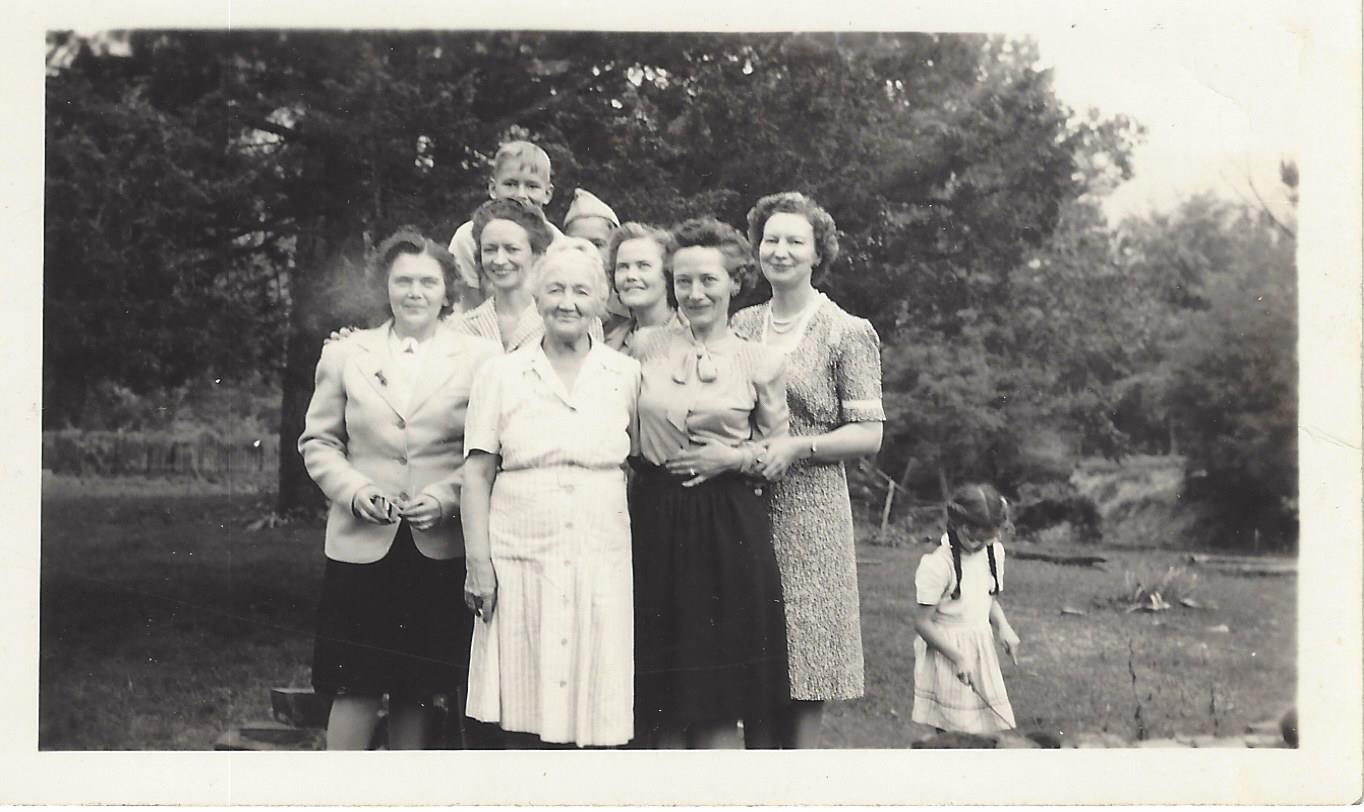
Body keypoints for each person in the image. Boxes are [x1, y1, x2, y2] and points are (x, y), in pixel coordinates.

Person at [298, 227, 502, 749]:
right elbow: (318, 441)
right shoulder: (348, 355)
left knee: (420, 687)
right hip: (362, 546)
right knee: (355, 685)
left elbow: (486, 451)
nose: (415, 292)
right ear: (384, 287)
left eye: (428, 282)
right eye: (403, 280)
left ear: (447, 290)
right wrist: (353, 491)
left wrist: (446, 496)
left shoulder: (479, 359)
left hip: (436, 546)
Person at [460, 248, 640, 748]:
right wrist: (479, 565)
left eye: (581, 291)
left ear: (600, 303)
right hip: (520, 548)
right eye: (556, 289)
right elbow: (476, 474)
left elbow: (639, 456)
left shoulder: (623, 374)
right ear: (536, 298)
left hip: (598, 546)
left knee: (593, 689)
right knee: (520, 694)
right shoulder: (500, 374)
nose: (568, 302)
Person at [627, 217, 791, 749]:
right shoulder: (643, 347)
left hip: (727, 523)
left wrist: (733, 458)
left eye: (708, 281)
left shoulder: (760, 360)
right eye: (683, 281)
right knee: (660, 691)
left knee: (720, 685)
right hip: (652, 518)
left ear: (735, 282)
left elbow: (776, 452)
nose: (694, 293)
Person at [731, 191, 885, 748]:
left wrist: (798, 448)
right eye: (770, 239)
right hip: (746, 506)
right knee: (753, 654)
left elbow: (869, 433)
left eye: (795, 241)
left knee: (807, 657)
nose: (781, 250)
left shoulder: (845, 330)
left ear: (819, 252)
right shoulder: (742, 324)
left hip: (811, 512)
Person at [912, 483, 1020, 734]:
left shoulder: (994, 554)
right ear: (955, 523)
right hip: (948, 652)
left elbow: (987, 600)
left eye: (984, 540)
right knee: (955, 733)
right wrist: (958, 657)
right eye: (970, 537)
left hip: (981, 650)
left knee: (986, 731)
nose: (976, 545)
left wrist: (1004, 627)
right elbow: (922, 623)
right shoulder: (937, 565)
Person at [450, 198, 602, 352]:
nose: (499, 260)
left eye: (512, 249)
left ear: (536, 253)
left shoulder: (574, 319)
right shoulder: (463, 328)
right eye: (490, 249)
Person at [448, 141, 564, 313]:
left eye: (532, 186)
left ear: (547, 194)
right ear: (493, 188)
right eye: (510, 184)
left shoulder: (558, 243)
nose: (521, 195)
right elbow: (466, 302)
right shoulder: (468, 237)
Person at [604, 221, 685, 353]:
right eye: (623, 267)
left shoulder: (692, 339)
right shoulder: (609, 344)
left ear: (668, 272)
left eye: (643, 266)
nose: (631, 276)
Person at [563, 187, 631, 334]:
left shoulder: (630, 304)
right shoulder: (558, 303)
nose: (588, 251)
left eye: (597, 244)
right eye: (578, 244)